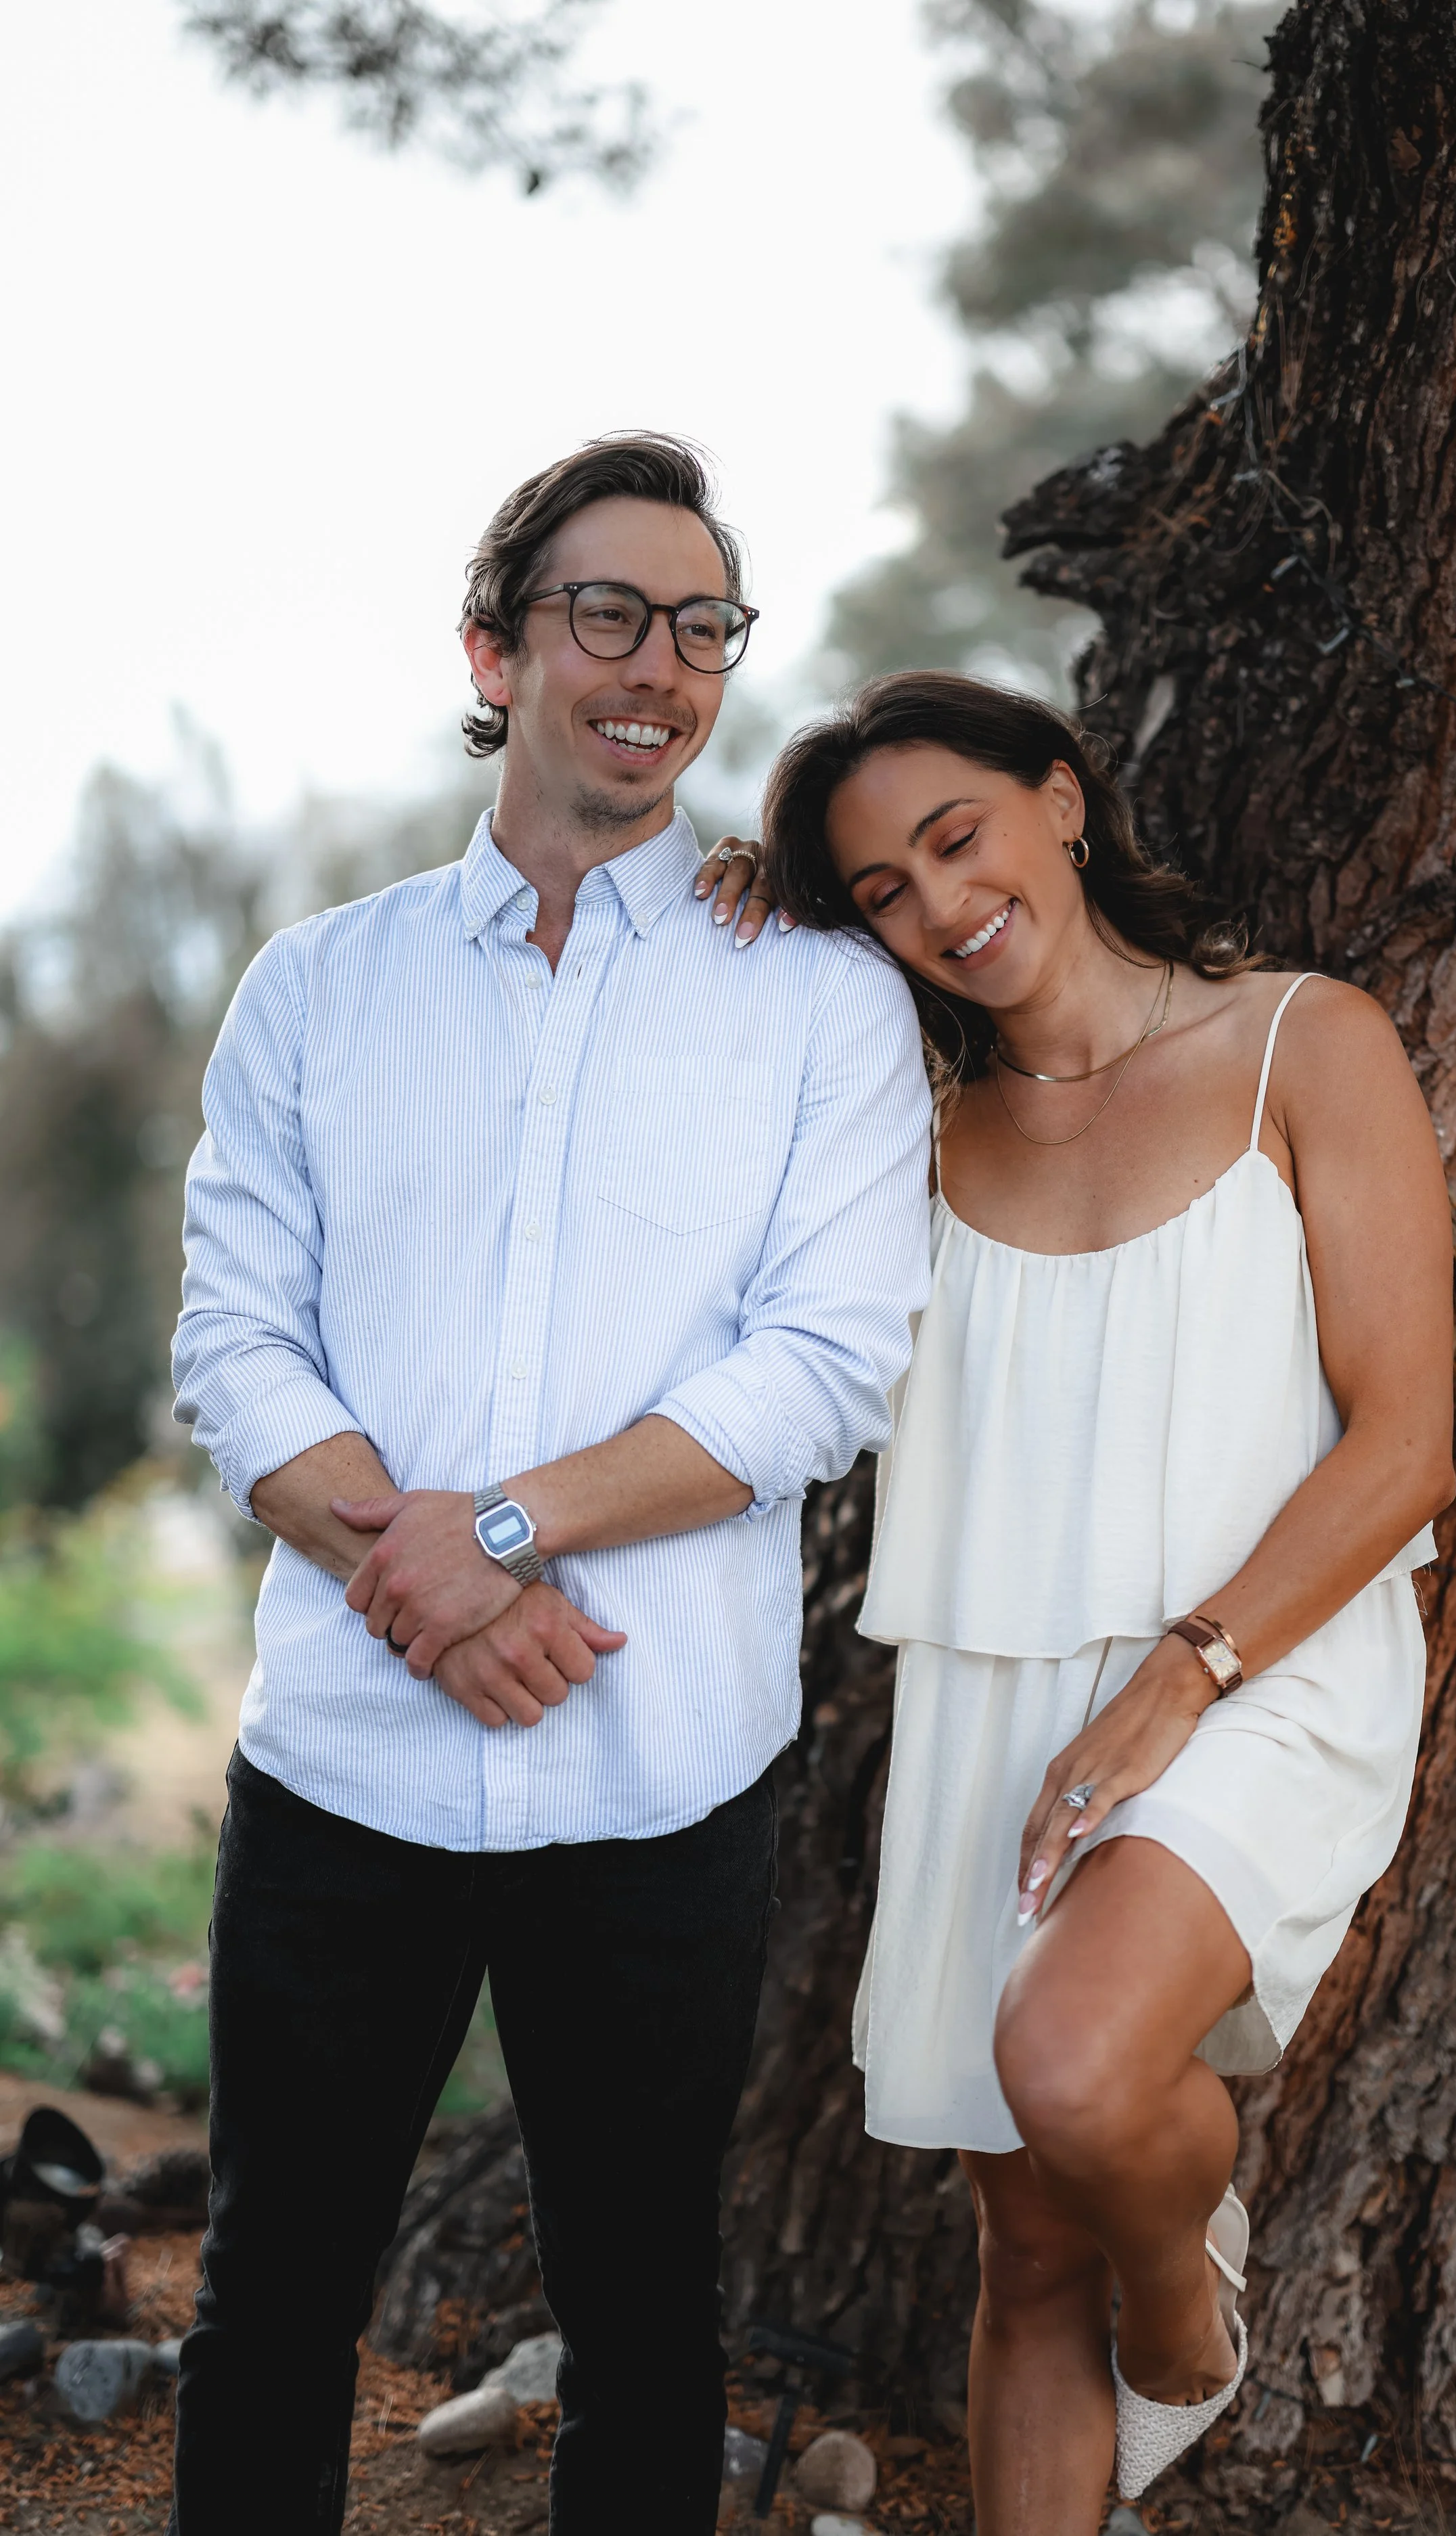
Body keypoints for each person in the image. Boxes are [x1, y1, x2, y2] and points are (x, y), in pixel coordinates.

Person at [168, 436, 932, 2535]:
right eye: (608, 613)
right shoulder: (321, 986)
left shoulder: (822, 1000)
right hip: (343, 1766)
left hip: (657, 1761)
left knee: (643, 2313)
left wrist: (493, 1533)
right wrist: (429, 1591)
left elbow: (822, 1365)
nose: (660, 666)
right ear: (495, 651)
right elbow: (237, 1338)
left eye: (702, 628)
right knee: (271, 2294)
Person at [715, 669, 1454, 2534]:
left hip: (1260, 1665)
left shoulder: (1304, 1043)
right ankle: (1120, 2319)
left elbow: (1404, 1445)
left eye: (953, 834)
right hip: (996, 1696)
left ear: (1059, 797)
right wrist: (696, 917)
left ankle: (1184, 2312)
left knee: (1069, 2055)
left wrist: (1181, 1676)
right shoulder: (910, 1136)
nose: (939, 901)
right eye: (878, 888)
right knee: (1023, 2236)